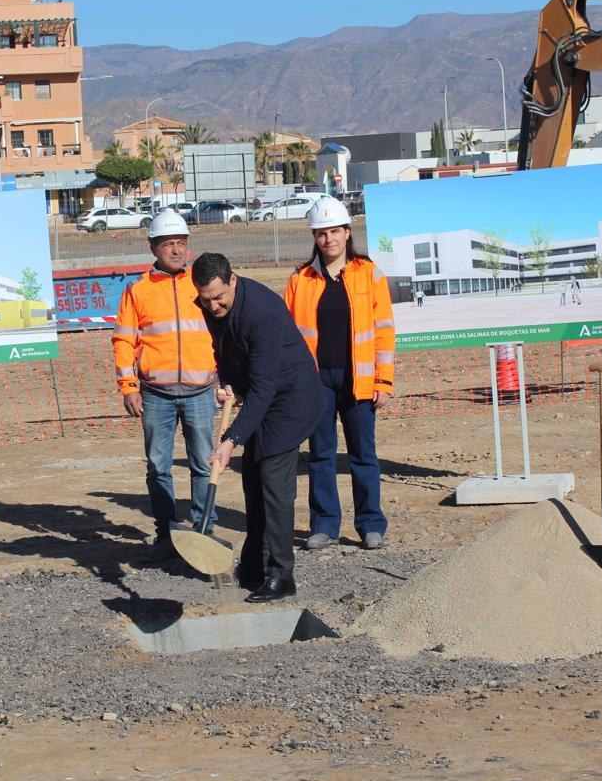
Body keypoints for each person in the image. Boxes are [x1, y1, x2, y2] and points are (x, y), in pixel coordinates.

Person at [194, 253, 325, 603]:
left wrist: (230, 439)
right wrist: (227, 380)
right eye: (206, 300)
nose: (213, 306)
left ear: (233, 280)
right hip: (260, 395)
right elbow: (225, 348)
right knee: (253, 478)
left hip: (290, 398)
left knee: (273, 485)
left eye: (219, 297)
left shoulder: (262, 313)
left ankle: (282, 575)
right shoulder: (210, 305)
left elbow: (267, 386)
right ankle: (253, 565)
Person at [285, 197, 395, 553]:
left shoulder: (369, 274)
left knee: (364, 454)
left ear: (348, 232)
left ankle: (370, 524)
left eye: (335, 231)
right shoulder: (300, 280)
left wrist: (383, 380)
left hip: (358, 380)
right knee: (320, 454)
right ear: (314, 237)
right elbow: (286, 336)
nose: (328, 239)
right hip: (316, 383)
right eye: (321, 233)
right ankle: (324, 525)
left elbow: (384, 331)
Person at [112, 209, 218, 562]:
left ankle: (205, 529)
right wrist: (128, 386)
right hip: (155, 394)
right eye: (168, 243)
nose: (176, 250)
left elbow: (223, 331)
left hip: (201, 390)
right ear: (153, 247)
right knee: (158, 466)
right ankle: (166, 530)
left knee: (204, 463)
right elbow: (124, 340)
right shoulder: (137, 291)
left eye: (181, 243)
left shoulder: (201, 285)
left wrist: (227, 378)